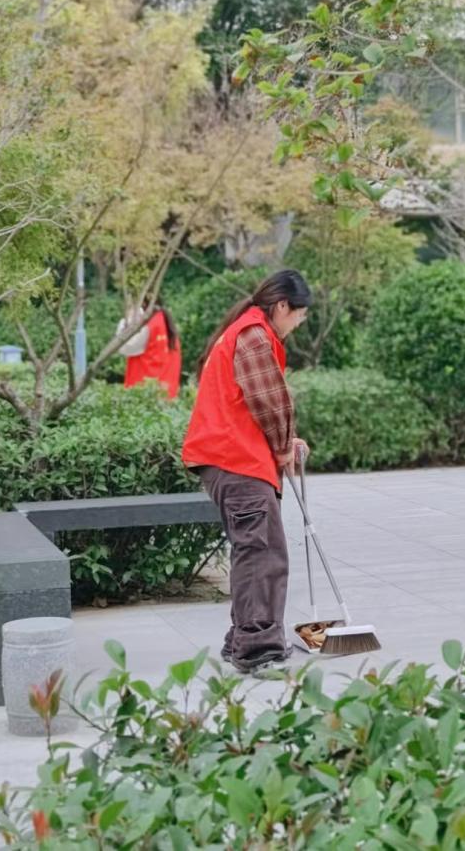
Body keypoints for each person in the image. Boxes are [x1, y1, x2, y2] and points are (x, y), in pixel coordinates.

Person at [181, 270, 312, 673]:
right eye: (300, 315)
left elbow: (250, 406)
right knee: (263, 553)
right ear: (282, 305)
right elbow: (271, 403)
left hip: (231, 458)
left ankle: (241, 638)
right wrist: (283, 447)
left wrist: (286, 443)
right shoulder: (254, 335)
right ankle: (258, 649)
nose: (300, 323)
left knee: (253, 549)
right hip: (236, 461)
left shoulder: (246, 330)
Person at [118, 302, 182, 399]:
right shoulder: (166, 323)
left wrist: (128, 320)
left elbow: (124, 346)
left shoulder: (148, 325)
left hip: (144, 395)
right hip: (167, 393)